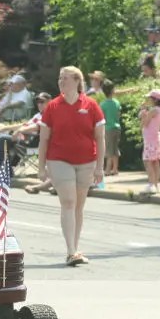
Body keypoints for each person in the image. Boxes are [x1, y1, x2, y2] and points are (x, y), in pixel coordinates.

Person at [37, 66, 105, 266]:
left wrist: (100, 167)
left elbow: (100, 138)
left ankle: (74, 248)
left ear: (77, 81)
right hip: (59, 160)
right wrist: (41, 167)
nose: (61, 82)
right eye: (60, 78)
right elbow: (44, 140)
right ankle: (71, 251)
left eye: (65, 78)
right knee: (68, 201)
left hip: (86, 161)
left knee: (79, 205)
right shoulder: (52, 107)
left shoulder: (91, 105)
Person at [140, 90, 160, 194]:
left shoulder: (153, 110)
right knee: (155, 162)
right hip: (156, 137)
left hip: (150, 139)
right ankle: (155, 185)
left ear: (155, 100)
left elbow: (144, 124)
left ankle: (151, 184)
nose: (148, 100)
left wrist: (142, 114)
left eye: (150, 98)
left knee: (147, 161)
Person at [100, 79, 121, 176]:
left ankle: (107, 169)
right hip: (117, 127)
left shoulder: (103, 104)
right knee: (115, 148)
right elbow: (118, 114)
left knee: (108, 149)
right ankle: (115, 168)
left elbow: (102, 118)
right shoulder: (116, 102)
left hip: (107, 128)